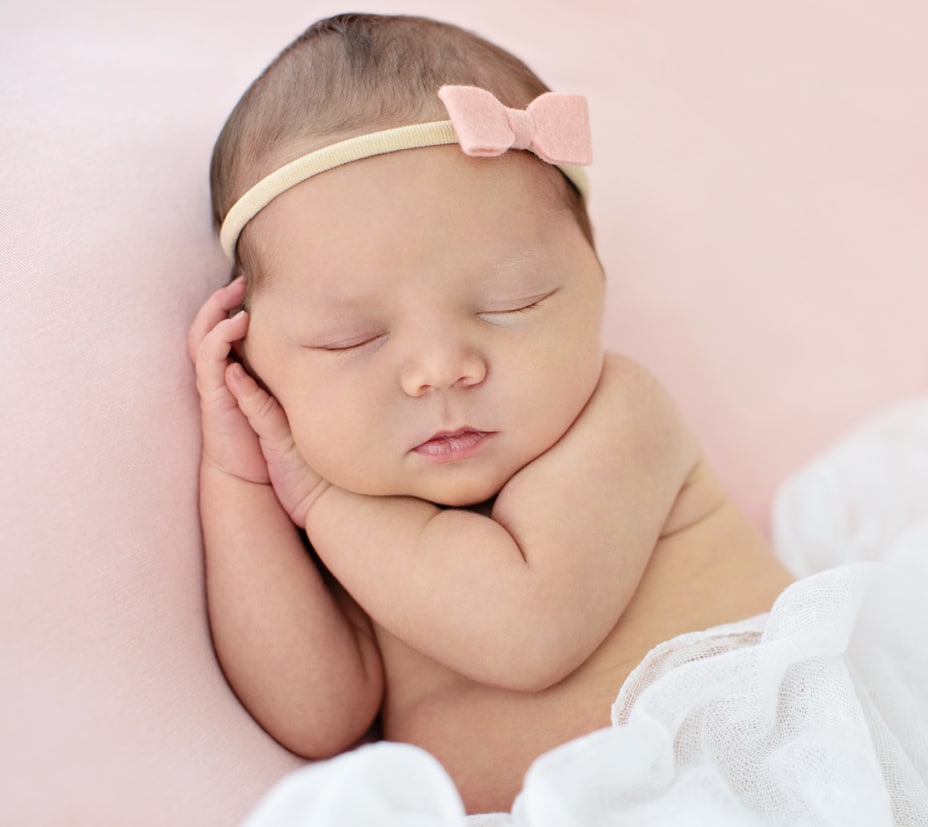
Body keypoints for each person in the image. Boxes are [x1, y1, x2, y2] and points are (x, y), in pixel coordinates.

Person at [187, 12, 793, 815]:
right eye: (351, 340)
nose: (441, 369)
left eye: (512, 304)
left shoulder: (621, 419)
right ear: (257, 360)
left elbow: (526, 628)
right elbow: (316, 714)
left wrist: (321, 498)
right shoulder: (358, 509)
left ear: (594, 285)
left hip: (754, 788)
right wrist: (241, 481)